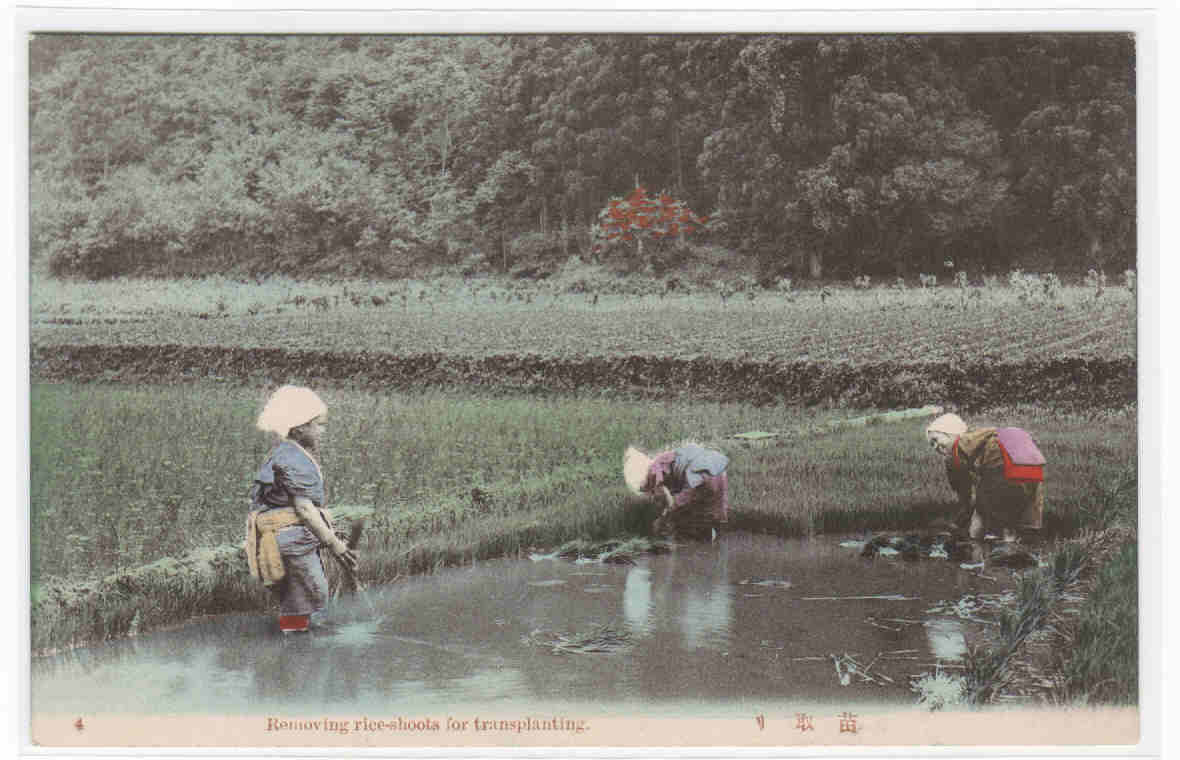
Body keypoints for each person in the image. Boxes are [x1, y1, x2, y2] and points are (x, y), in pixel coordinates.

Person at [245, 385, 358, 633]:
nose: (322, 431)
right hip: (290, 538)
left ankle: (297, 641)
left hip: (282, 538)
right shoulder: (295, 460)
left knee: (300, 596)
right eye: (318, 425)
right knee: (313, 592)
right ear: (299, 428)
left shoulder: (286, 453)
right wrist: (334, 543)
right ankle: (301, 652)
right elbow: (305, 510)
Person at [925, 413, 1045, 542]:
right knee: (1010, 512)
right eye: (932, 445)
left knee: (981, 511)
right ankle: (1014, 541)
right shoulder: (985, 437)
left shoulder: (957, 447)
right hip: (1032, 465)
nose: (936, 447)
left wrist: (961, 518)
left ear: (951, 434)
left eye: (936, 440)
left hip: (1002, 464)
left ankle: (974, 547)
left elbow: (963, 489)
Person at [623, 443, 730, 540]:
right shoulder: (670, 457)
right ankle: (715, 531)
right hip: (718, 470)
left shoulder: (654, 470)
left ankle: (675, 534)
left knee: (681, 502)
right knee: (712, 506)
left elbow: (669, 497)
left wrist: (664, 515)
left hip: (697, 475)